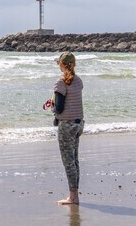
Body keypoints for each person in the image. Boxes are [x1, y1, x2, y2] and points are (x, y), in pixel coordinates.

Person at [53, 51, 84, 205]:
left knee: (68, 162)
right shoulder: (78, 81)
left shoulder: (60, 83)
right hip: (79, 124)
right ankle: (74, 194)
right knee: (75, 160)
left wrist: (53, 109)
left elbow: (58, 108)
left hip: (67, 126)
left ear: (62, 65)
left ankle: (73, 197)